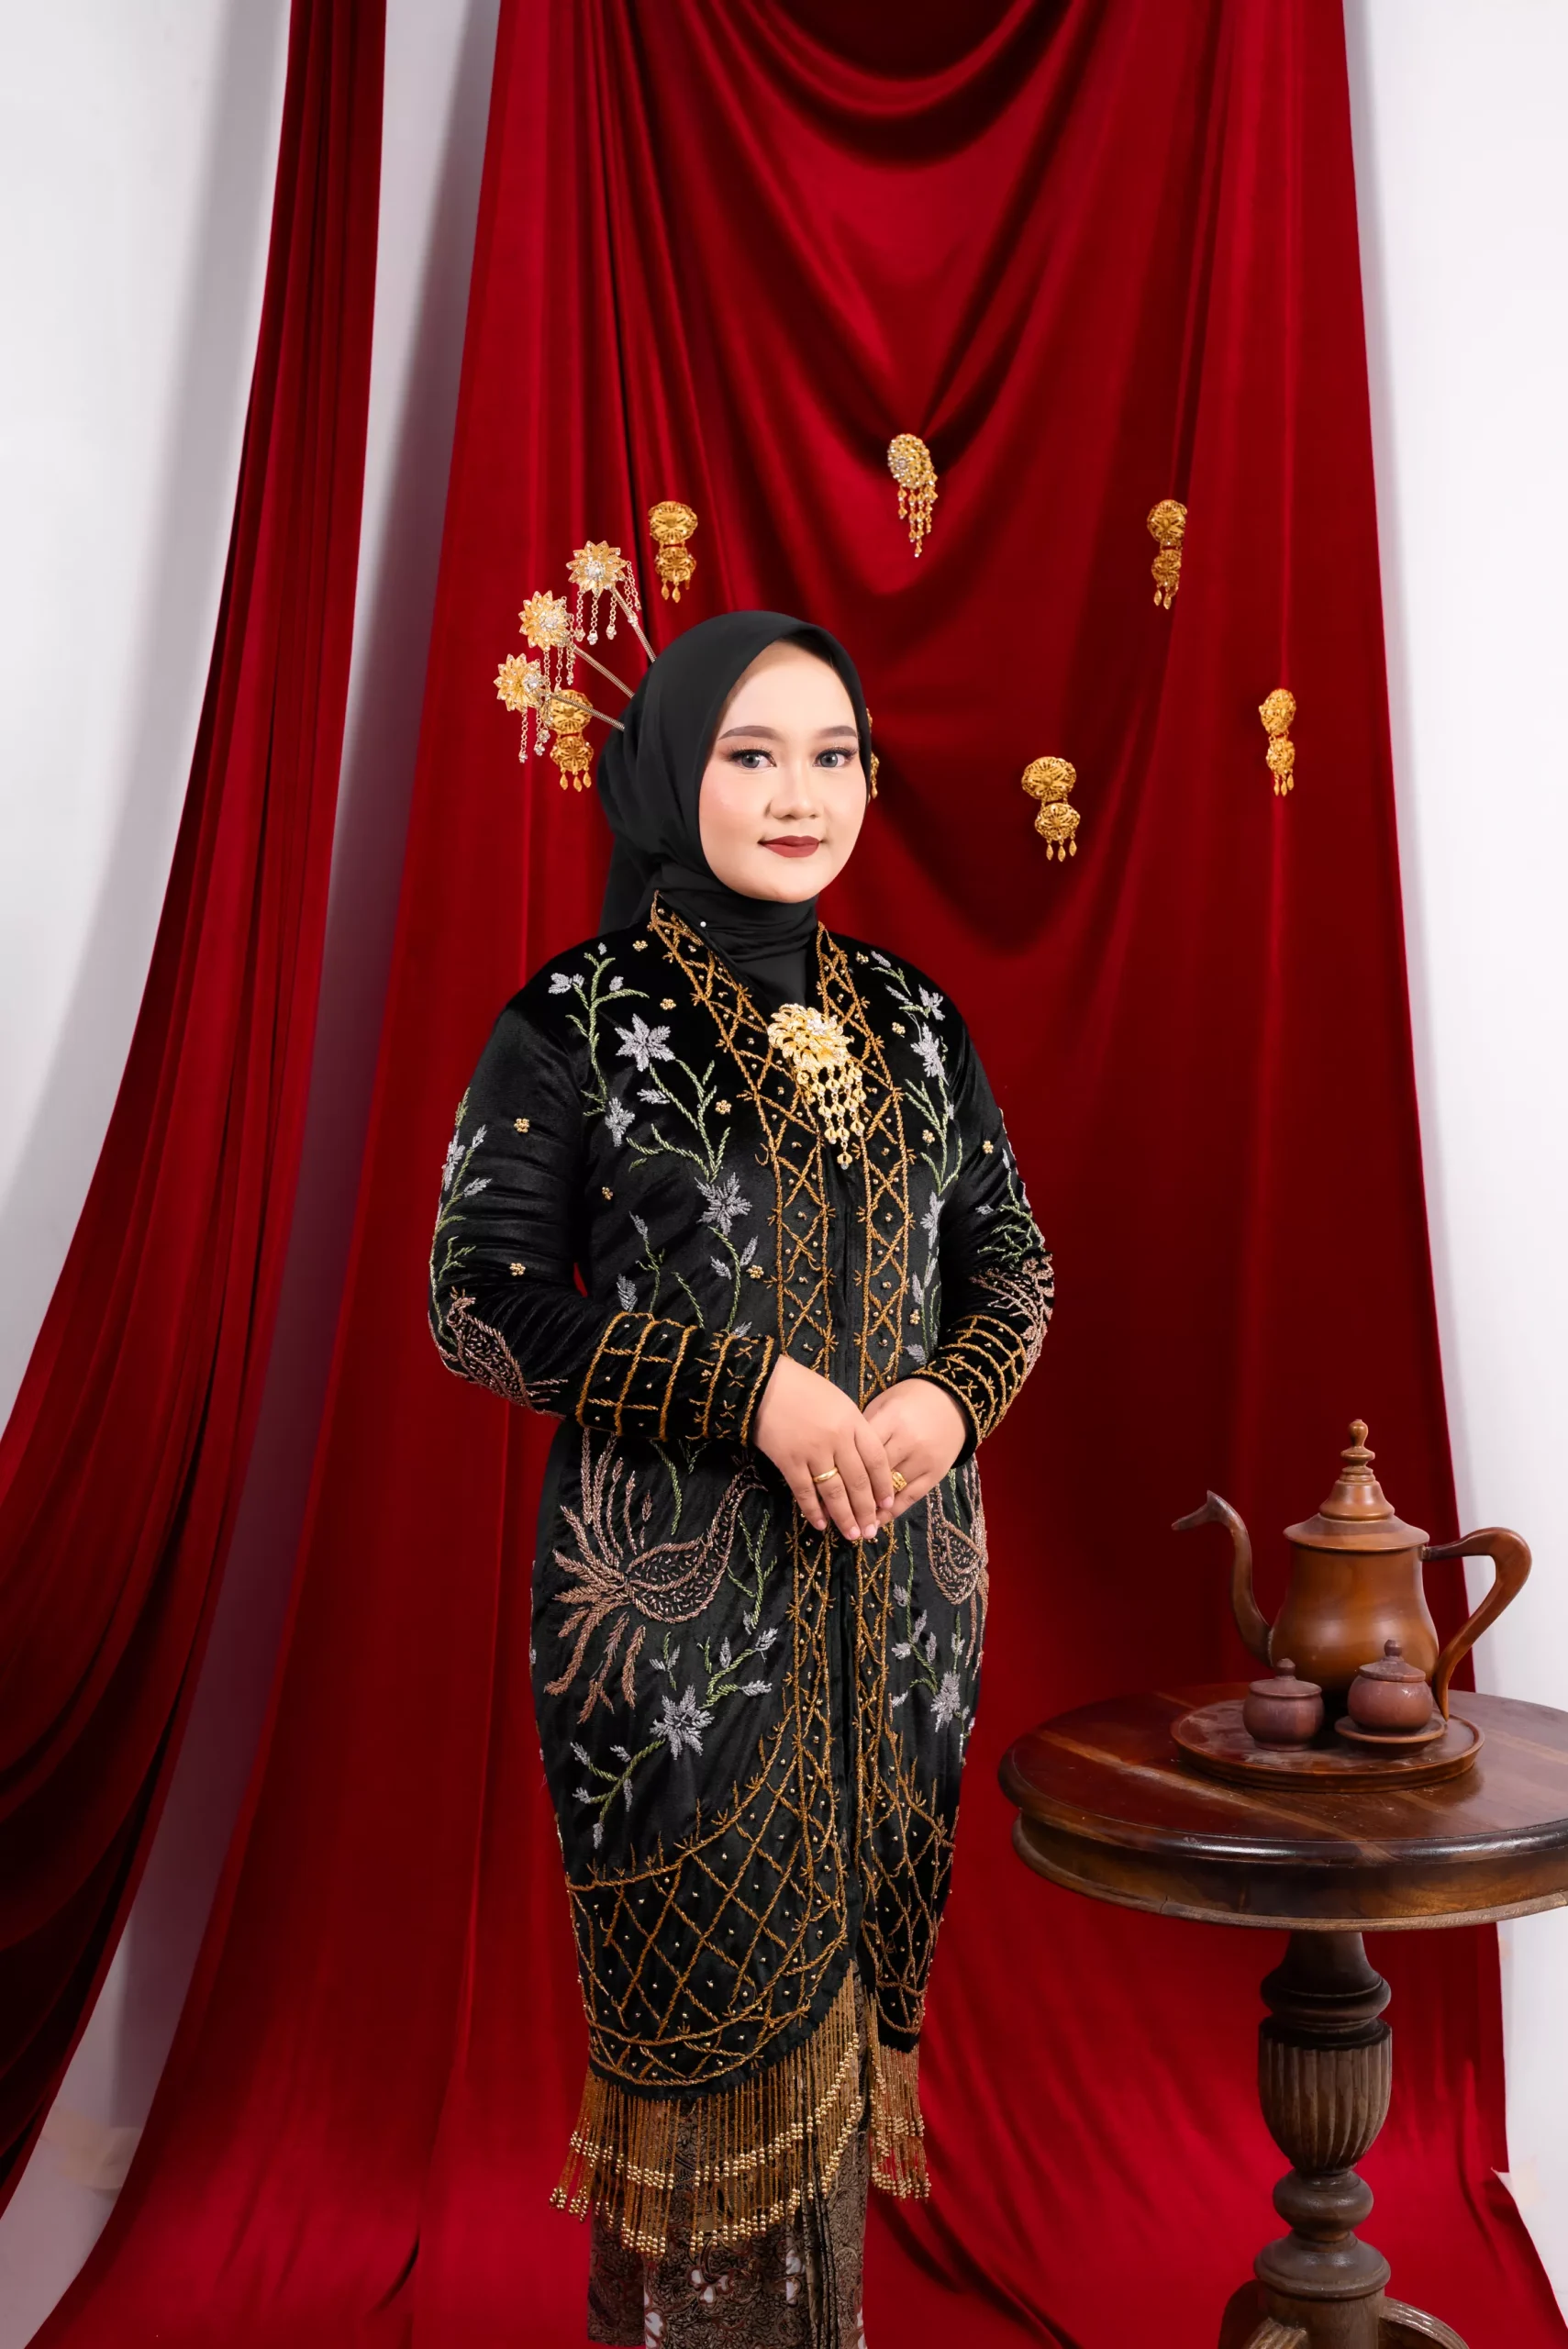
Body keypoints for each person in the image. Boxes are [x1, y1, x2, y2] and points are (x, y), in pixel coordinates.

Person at [429, 611, 1052, 2347]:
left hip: (906, 1614)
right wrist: (748, 1392)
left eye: (833, 754)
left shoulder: (916, 1022)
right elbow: (477, 1302)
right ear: (665, 774)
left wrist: (950, 1399)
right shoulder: (577, 1018)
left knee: (844, 2044)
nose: (801, 795)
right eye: (751, 755)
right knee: (705, 2089)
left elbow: (1011, 1262)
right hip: (672, 1636)